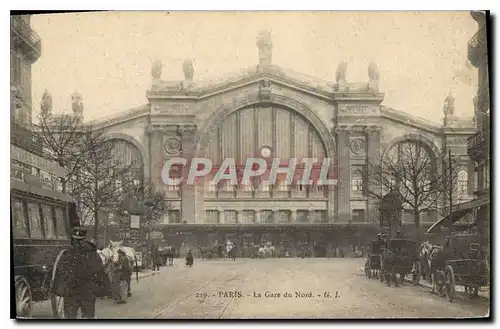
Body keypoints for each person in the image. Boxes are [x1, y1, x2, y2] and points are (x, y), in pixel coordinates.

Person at [52, 227, 108, 319]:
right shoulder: (93, 254)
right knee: (88, 316)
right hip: (88, 291)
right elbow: (100, 272)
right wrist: (100, 289)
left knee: (70, 316)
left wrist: (62, 288)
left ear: (73, 239)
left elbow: (61, 273)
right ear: (85, 238)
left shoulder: (67, 253)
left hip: (71, 292)